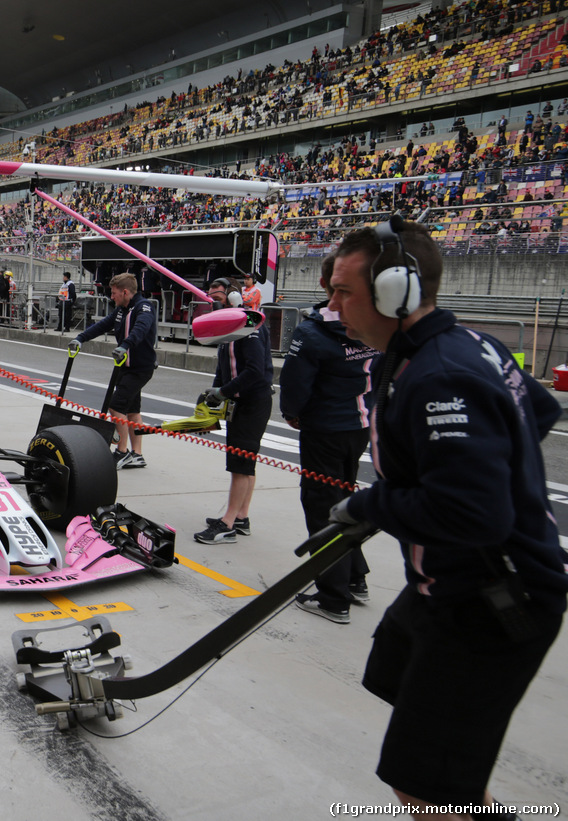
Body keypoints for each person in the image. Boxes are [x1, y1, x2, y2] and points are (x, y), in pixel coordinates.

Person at [326, 219, 565, 818]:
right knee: (393, 673)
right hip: (448, 584)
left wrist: (369, 503)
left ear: (395, 294)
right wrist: (481, 462)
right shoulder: (460, 344)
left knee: (420, 783)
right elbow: (537, 408)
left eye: (343, 293)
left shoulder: (441, 376)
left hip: (495, 597)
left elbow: (470, 516)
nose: (332, 308)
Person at [280, 253, 378, 623]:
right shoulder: (372, 323)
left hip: (325, 429)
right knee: (345, 499)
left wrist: (292, 413)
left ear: (324, 285)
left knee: (323, 506)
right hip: (361, 425)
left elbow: (294, 384)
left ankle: (333, 596)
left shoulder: (313, 331)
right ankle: (354, 577)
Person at [194, 277, 273, 544]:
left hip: (253, 403)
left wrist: (223, 392)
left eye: (216, 297)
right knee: (245, 463)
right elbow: (223, 367)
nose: (212, 302)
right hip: (239, 401)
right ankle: (241, 517)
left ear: (233, 298)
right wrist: (212, 398)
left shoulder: (250, 323)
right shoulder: (228, 326)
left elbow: (254, 371)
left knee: (240, 463)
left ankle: (227, 523)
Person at [69, 272, 156, 469]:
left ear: (125, 292)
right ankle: (137, 454)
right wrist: (80, 338)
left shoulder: (143, 308)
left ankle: (121, 452)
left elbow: (140, 329)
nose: (112, 296)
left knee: (116, 406)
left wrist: (125, 345)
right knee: (132, 411)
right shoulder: (120, 310)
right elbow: (102, 326)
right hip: (125, 367)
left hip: (139, 368)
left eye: (114, 293)